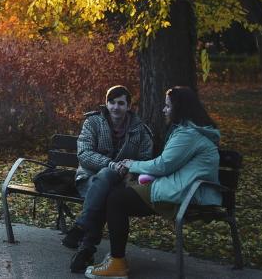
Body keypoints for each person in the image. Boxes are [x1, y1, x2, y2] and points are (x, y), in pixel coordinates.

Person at [84, 86, 222, 279]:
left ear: (179, 108)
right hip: (182, 187)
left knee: (116, 199)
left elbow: (163, 165)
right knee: (116, 194)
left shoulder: (188, 134)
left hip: (186, 193)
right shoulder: (191, 131)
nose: (164, 110)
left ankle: (116, 262)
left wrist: (132, 164)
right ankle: (111, 254)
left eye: (167, 106)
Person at [65, 85, 154, 273]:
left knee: (109, 195)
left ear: (129, 106)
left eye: (121, 103)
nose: (115, 107)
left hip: (123, 183)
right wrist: (111, 165)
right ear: (106, 103)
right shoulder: (93, 123)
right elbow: (84, 154)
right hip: (90, 180)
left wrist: (131, 170)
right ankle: (86, 245)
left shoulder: (140, 130)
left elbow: (146, 158)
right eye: (111, 102)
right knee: (106, 180)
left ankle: (84, 236)